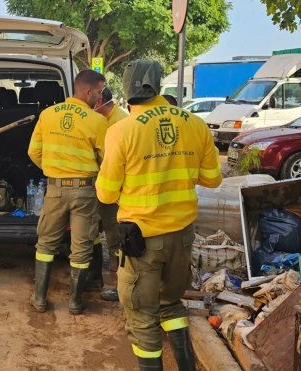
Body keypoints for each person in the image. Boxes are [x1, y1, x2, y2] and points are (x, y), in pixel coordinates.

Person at [96, 60, 222, 370]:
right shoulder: (195, 123)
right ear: (158, 86)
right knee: (171, 305)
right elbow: (213, 179)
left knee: (142, 318)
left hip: (142, 243)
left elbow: (107, 194)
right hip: (181, 238)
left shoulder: (121, 131)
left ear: (126, 91)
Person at [28, 70, 109, 315]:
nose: (100, 97)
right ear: (87, 91)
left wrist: (53, 170)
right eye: (98, 92)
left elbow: (34, 152)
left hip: (54, 189)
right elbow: (108, 159)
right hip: (85, 192)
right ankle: (75, 302)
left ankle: (40, 299)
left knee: (46, 243)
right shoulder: (97, 121)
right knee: (82, 246)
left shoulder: (47, 115)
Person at [89, 87, 129, 301]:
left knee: (115, 232)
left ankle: (118, 278)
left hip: (116, 187)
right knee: (95, 227)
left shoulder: (121, 122)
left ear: (99, 100)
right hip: (101, 183)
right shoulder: (101, 118)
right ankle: (98, 275)